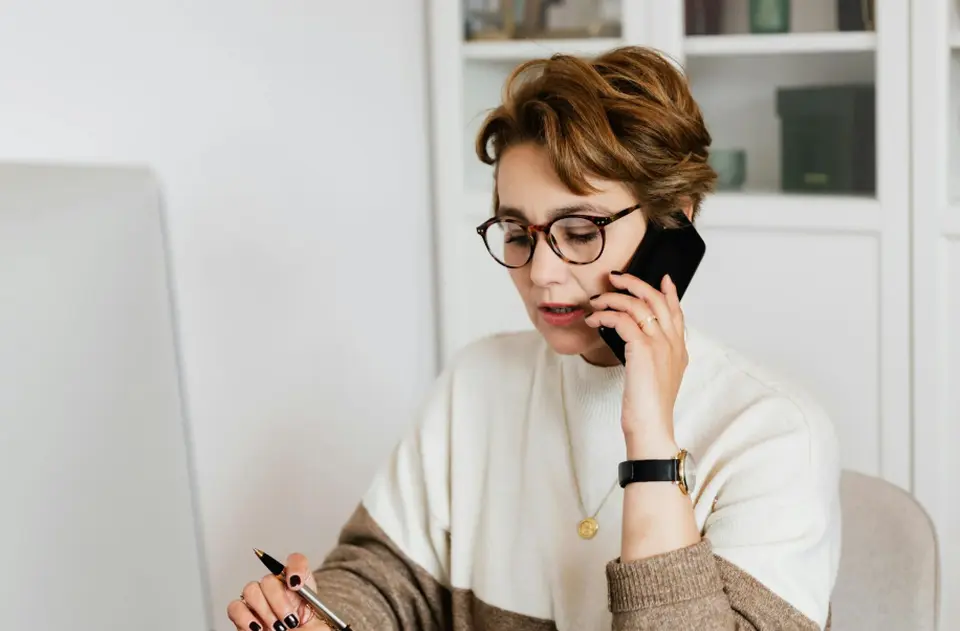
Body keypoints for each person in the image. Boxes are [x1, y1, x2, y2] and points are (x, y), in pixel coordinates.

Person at [227, 45, 841, 631]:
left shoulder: (773, 435)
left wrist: (651, 445)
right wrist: (322, 616)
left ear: (670, 224)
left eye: (578, 231)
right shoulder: (477, 383)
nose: (540, 273)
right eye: (517, 232)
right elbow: (390, 579)